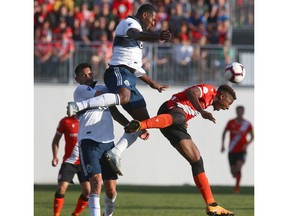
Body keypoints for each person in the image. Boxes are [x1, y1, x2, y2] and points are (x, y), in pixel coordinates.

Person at [67, 4, 172, 175]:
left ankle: (116, 152)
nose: (153, 23)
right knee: (123, 97)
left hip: (129, 76)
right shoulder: (129, 23)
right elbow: (135, 34)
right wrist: (156, 36)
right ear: (144, 15)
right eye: (152, 19)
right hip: (117, 70)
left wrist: (152, 83)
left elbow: (134, 66)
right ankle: (78, 106)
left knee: (144, 123)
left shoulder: (137, 38)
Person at [124, 83, 236, 216]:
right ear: (222, 96)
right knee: (180, 117)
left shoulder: (208, 102)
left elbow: (188, 106)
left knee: (197, 160)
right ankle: (140, 125)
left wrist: (190, 116)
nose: (227, 108)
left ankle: (211, 205)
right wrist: (201, 112)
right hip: (170, 109)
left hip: (176, 121)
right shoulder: (209, 89)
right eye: (228, 104)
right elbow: (191, 93)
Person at [73, 63, 145, 216]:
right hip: (89, 141)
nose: (88, 77)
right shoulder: (81, 90)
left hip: (108, 143)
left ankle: (108, 214)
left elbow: (115, 112)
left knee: (111, 191)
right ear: (77, 79)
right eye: (83, 75)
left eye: (89, 74)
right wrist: (116, 90)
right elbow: (104, 95)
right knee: (96, 182)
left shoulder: (105, 91)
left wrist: (132, 126)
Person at [51, 114, 90, 216]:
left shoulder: (89, 120)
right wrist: (55, 156)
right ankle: (56, 214)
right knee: (61, 188)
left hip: (84, 163)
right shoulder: (66, 121)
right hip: (70, 162)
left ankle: (75, 214)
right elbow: (56, 140)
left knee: (88, 191)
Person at [221, 105, 254, 193]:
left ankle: (236, 188)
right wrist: (223, 145)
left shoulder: (247, 124)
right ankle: (235, 175)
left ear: (243, 112)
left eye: (241, 111)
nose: (239, 113)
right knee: (233, 172)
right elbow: (224, 132)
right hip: (232, 149)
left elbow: (252, 136)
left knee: (238, 167)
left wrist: (247, 144)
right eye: (238, 111)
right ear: (236, 112)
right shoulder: (231, 122)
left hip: (242, 150)